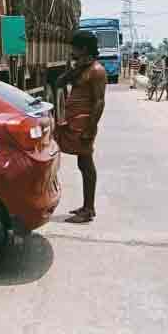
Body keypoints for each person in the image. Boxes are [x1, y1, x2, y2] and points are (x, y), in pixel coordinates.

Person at [55, 31, 107, 224]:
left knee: (86, 164)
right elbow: (60, 82)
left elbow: (99, 102)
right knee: (83, 164)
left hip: (84, 124)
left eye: (74, 48)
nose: (71, 51)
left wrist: (90, 129)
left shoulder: (97, 71)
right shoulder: (82, 69)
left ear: (83, 48)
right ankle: (87, 207)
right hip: (74, 122)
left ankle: (88, 209)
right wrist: (76, 67)